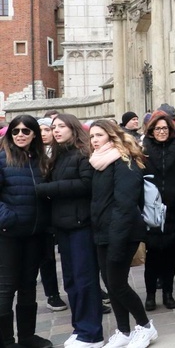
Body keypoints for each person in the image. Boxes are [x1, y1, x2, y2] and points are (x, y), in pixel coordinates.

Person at [35, 114, 103, 348]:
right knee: (72, 282)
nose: (56, 130)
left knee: (85, 281)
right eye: (53, 127)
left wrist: (48, 188)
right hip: (63, 227)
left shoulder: (83, 153)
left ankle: (92, 334)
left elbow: (86, 184)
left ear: (73, 129)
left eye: (61, 126)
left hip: (81, 225)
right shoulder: (58, 156)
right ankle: (80, 328)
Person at [89, 119, 157, 348]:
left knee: (118, 284)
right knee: (110, 283)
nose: (94, 140)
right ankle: (124, 330)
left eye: (99, 135)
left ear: (111, 135)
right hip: (102, 231)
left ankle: (146, 327)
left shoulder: (124, 161)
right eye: (92, 136)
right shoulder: (98, 163)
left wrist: (117, 240)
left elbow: (125, 204)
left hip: (123, 232)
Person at [0, 115, 53, 348]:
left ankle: (27, 336)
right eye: (15, 131)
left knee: (28, 285)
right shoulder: (2, 159)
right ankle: (5, 340)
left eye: (26, 131)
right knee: (6, 288)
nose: (20, 135)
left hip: (35, 234)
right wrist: (7, 218)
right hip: (8, 235)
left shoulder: (41, 160)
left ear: (34, 134)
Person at [141, 111, 175, 312]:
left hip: (174, 208)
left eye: (164, 128)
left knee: (171, 253)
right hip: (152, 209)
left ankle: (168, 293)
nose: (161, 131)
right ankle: (150, 295)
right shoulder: (143, 148)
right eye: (157, 128)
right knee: (153, 253)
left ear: (170, 129)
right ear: (151, 130)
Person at [36, 117, 69, 313]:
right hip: (43, 213)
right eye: (40, 130)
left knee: (70, 254)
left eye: (47, 129)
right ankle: (52, 294)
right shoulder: (32, 155)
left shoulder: (62, 153)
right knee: (46, 257)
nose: (44, 133)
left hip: (62, 210)